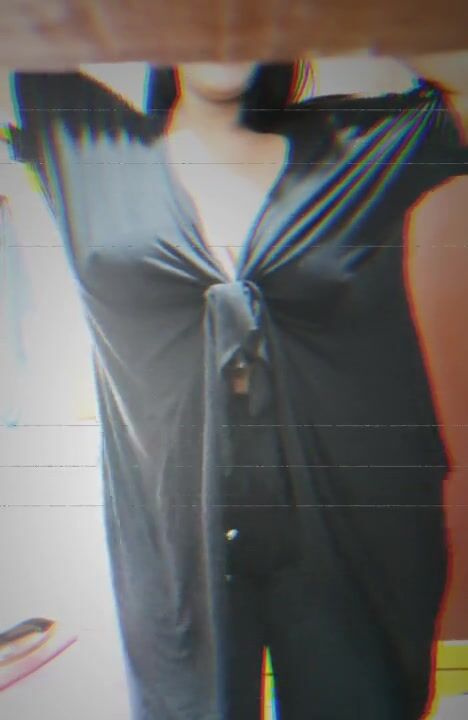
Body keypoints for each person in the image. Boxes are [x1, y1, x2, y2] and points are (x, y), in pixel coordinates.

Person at [5, 58, 468, 720]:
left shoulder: (354, 150)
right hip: (174, 526)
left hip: (353, 513)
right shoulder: (88, 145)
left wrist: (373, 20)